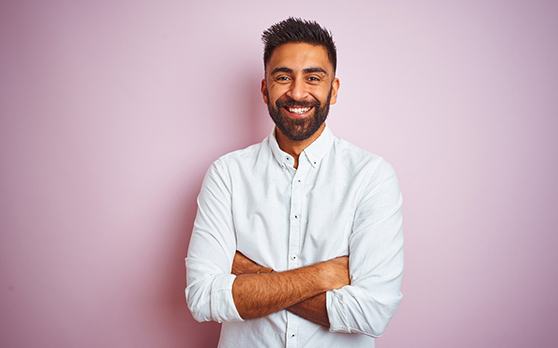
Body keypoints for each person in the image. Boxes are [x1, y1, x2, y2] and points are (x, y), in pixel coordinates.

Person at [185, 17, 404, 348]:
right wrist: (322, 276)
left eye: (313, 78)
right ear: (265, 89)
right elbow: (202, 298)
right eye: (283, 77)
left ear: (334, 89)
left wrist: (247, 274)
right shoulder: (227, 174)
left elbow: (372, 312)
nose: (297, 92)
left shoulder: (371, 177)